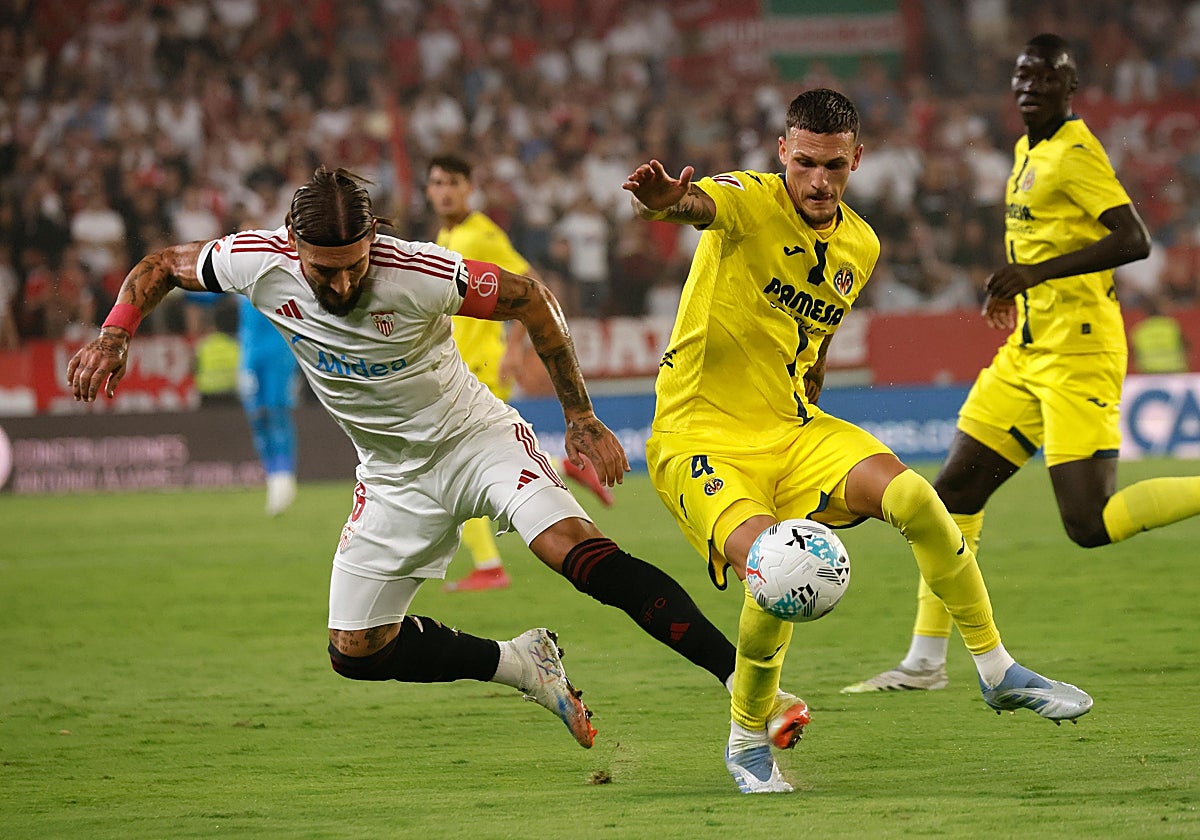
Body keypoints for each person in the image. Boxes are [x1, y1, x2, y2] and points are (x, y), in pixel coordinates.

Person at [67, 165, 809, 758]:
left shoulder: (417, 270)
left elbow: (532, 299)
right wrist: (115, 333)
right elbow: (160, 265)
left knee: (579, 555)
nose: (343, 285)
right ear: (293, 247)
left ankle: (753, 690)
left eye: (354, 266)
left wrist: (579, 415)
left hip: (475, 441)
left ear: (374, 240)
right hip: (391, 476)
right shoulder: (254, 262)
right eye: (325, 272)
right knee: (356, 651)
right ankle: (522, 664)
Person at [623, 88, 1092, 796]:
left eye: (834, 166)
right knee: (775, 568)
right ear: (782, 152)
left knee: (917, 498)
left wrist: (811, 375)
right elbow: (696, 205)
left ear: (857, 160)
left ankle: (997, 670)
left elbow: (815, 333)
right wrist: (664, 203)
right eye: (805, 163)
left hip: (790, 427)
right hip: (698, 436)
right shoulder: (749, 201)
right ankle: (747, 740)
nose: (818, 181)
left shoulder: (860, 245)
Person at [842, 35, 1200, 695]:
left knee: (1088, 523)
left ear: (1070, 86)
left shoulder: (1075, 153)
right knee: (952, 495)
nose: (1030, 87)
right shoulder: (1026, 151)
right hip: (1028, 349)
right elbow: (1039, 242)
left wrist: (1033, 273)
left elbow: (1134, 238)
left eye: (1045, 77)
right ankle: (924, 662)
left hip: (1079, 352)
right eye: (1022, 76)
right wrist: (1014, 288)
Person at [425, 153, 614, 594]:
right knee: (467, 462)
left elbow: (533, 287)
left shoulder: (483, 234)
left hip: (481, 367)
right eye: (437, 183)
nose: (445, 191)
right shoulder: (446, 235)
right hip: (458, 366)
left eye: (453, 182)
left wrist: (514, 346)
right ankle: (564, 468)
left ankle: (490, 565)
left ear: (470, 188)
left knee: (456, 464)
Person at [237, 297, 302, 515]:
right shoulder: (238, 281)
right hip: (250, 351)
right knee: (256, 416)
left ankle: (284, 477)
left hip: (278, 350)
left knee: (277, 412)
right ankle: (272, 475)